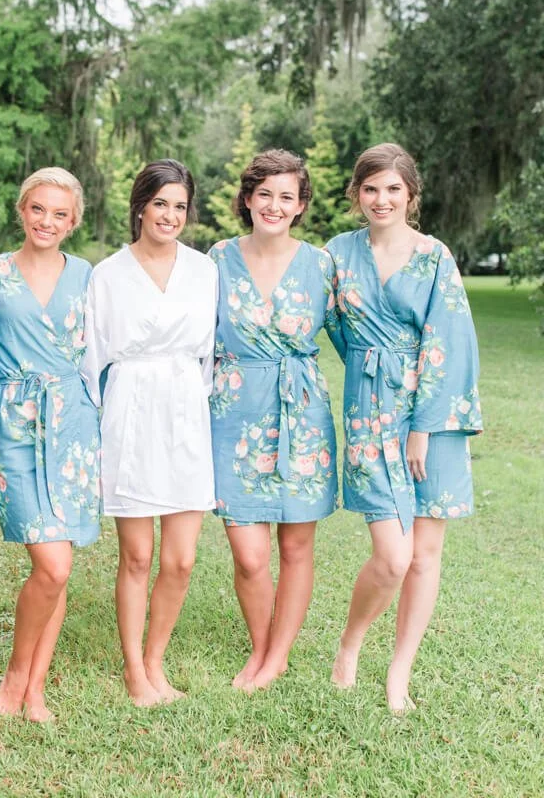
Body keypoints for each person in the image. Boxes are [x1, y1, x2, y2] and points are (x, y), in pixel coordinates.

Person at [325, 143, 482, 713]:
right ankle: (350, 643)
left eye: (393, 189)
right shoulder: (338, 254)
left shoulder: (434, 256)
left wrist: (422, 426)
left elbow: (450, 341)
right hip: (369, 409)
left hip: (432, 416)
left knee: (424, 554)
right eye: (371, 188)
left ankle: (399, 673)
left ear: (410, 194)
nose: (381, 199)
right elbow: (333, 326)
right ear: (356, 193)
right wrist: (369, 371)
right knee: (393, 555)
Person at [83, 160, 217, 706]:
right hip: (132, 412)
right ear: (140, 207)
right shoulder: (108, 275)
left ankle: (157, 659)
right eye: (160, 203)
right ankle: (134, 670)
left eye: (180, 206)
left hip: (185, 411)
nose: (170, 215)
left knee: (181, 559)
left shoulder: (204, 271)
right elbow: (89, 358)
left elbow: (210, 354)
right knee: (137, 556)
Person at [209, 149, 338, 691]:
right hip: (233, 413)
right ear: (247, 198)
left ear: (301, 205)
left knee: (297, 547)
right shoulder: (217, 259)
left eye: (287, 196)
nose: (274, 205)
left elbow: (356, 335)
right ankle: (262, 647)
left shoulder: (321, 265)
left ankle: (275, 657)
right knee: (249, 554)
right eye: (264, 194)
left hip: (301, 413)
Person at [0, 168, 100, 723]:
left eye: (59, 213)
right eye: (38, 209)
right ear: (21, 210)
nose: (46, 221)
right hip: (14, 424)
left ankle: (36, 687)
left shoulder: (87, 275)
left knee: (61, 565)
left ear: (73, 221)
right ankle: (14, 674)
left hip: (73, 424)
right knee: (51, 564)